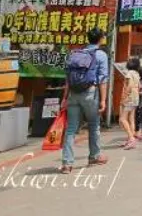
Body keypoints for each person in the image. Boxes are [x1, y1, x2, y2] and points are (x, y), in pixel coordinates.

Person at [60, 27, 109, 173]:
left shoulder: (76, 53)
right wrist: (103, 100)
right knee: (94, 125)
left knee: (71, 128)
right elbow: (103, 79)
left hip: (73, 94)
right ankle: (94, 156)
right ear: (100, 39)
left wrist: (64, 98)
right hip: (90, 94)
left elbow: (68, 79)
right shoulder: (101, 55)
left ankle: (67, 163)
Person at [118, 57, 142, 150]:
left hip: (129, 98)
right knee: (131, 118)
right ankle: (131, 138)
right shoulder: (136, 73)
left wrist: (124, 97)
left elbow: (129, 85)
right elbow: (139, 86)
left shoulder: (129, 73)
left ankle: (131, 139)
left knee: (122, 119)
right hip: (135, 98)